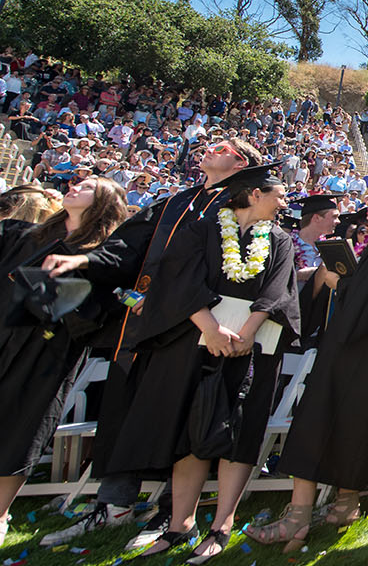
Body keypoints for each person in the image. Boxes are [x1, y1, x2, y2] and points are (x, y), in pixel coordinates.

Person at [39, 137, 261, 550]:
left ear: (240, 161)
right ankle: (115, 504)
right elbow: (127, 246)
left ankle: (169, 513)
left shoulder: (242, 205)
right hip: (144, 323)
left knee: (180, 418)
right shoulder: (178, 200)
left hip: (195, 327)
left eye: (222, 146)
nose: (209, 147)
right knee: (126, 408)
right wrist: (84, 260)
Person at [96, 161, 299, 563]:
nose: (284, 201)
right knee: (189, 427)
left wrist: (247, 331)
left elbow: (279, 290)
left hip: (249, 350)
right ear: (255, 194)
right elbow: (180, 281)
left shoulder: (279, 240)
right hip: (195, 344)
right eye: (279, 194)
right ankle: (179, 524)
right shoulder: (201, 230)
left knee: (238, 433)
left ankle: (222, 524)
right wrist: (209, 327)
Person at [247, 173, 368, 551]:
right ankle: (346, 505)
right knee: (356, 429)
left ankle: (296, 518)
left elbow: (366, 302)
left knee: (316, 422)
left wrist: (334, 282)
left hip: (353, 353)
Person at [0, 178, 128, 542]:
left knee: (20, 428)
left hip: (45, 353)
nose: (74, 186)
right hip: (2, 334)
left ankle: (1, 512)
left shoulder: (101, 257)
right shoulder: (22, 236)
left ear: (104, 203)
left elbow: (94, 316)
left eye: (87, 186)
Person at [285, 193, 341, 350]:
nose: (338, 221)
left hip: (317, 324)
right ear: (317, 218)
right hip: (289, 317)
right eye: (334, 216)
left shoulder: (330, 248)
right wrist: (299, 275)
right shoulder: (286, 243)